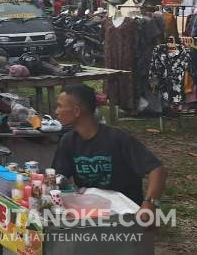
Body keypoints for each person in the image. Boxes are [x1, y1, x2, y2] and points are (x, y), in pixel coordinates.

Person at [52, 85, 167, 221]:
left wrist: (149, 205)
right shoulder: (68, 141)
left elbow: (157, 170)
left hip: (124, 211)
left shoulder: (117, 138)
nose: (56, 111)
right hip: (91, 208)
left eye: (59, 106)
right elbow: (56, 178)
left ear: (77, 111)